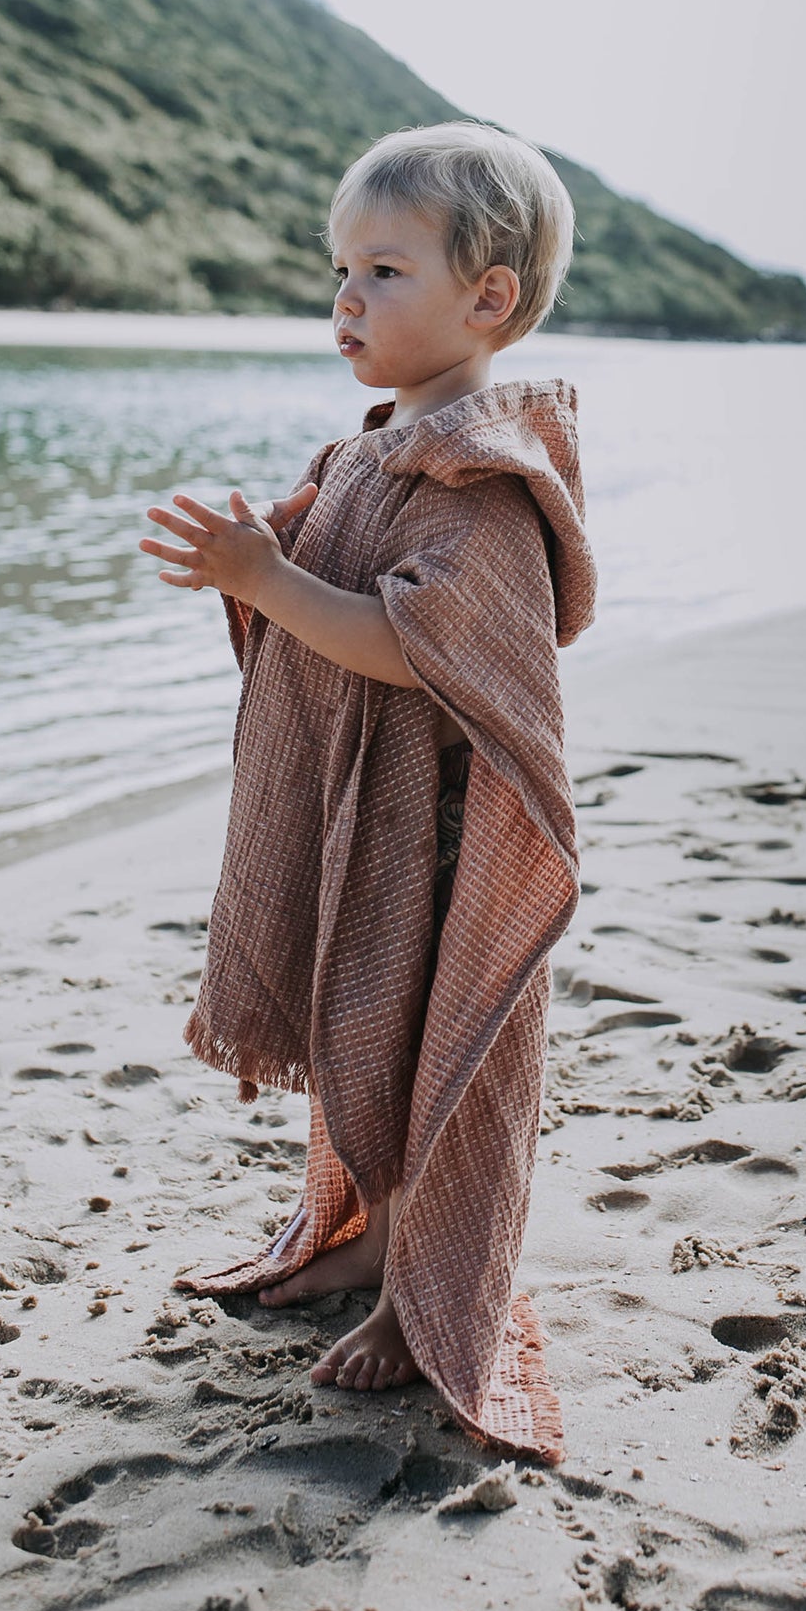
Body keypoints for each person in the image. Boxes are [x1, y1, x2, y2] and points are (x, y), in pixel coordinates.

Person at [138, 121, 594, 1462]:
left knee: (417, 1052)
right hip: (361, 822)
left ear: (488, 296)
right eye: (338, 268)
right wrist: (265, 551)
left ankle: (421, 1286)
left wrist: (270, 582)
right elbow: (330, 585)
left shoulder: (486, 479)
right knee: (354, 1041)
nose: (345, 298)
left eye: (383, 270)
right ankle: (366, 1241)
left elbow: (415, 642)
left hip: (443, 835)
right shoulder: (368, 454)